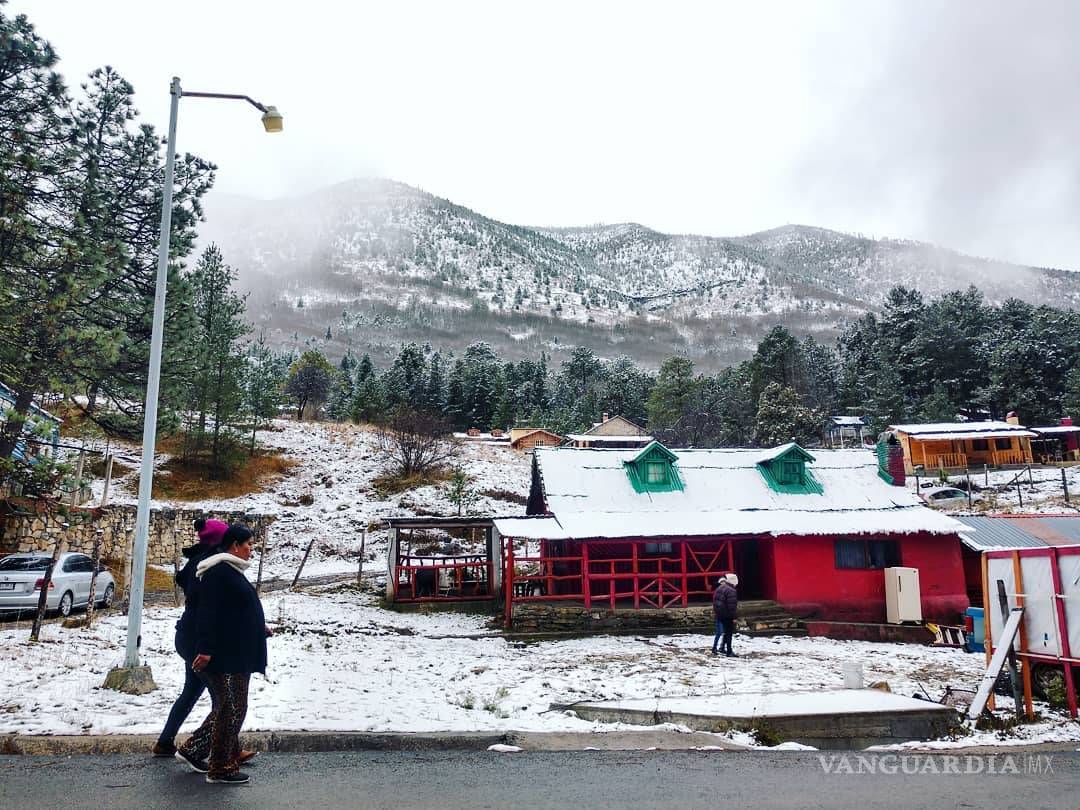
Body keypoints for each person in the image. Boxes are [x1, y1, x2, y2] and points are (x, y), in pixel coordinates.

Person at [176, 524, 270, 785]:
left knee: (228, 707)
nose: (251, 549)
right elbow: (209, 613)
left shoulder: (230, 570)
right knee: (232, 708)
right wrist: (205, 650)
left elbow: (234, 609)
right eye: (249, 544)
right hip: (226, 654)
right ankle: (221, 768)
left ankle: (194, 750)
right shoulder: (219, 572)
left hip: (235, 650)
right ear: (235, 545)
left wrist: (257, 626)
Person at [152, 518, 226, 758]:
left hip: (188, 637)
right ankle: (221, 751)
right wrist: (206, 647)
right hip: (197, 641)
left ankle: (165, 742)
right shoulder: (206, 567)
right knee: (224, 700)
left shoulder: (198, 564)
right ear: (217, 541)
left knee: (192, 692)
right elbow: (207, 610)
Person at [711, 573, 739, 657]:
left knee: (724, 632)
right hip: (727, 615)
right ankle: (729, 651)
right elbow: (732, 606)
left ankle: (722, 647)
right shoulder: (731, 591)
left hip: (719, 613)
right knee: (729, 633)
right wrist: (734, 617)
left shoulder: (720, 587)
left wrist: (716, 611)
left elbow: (715, 601)